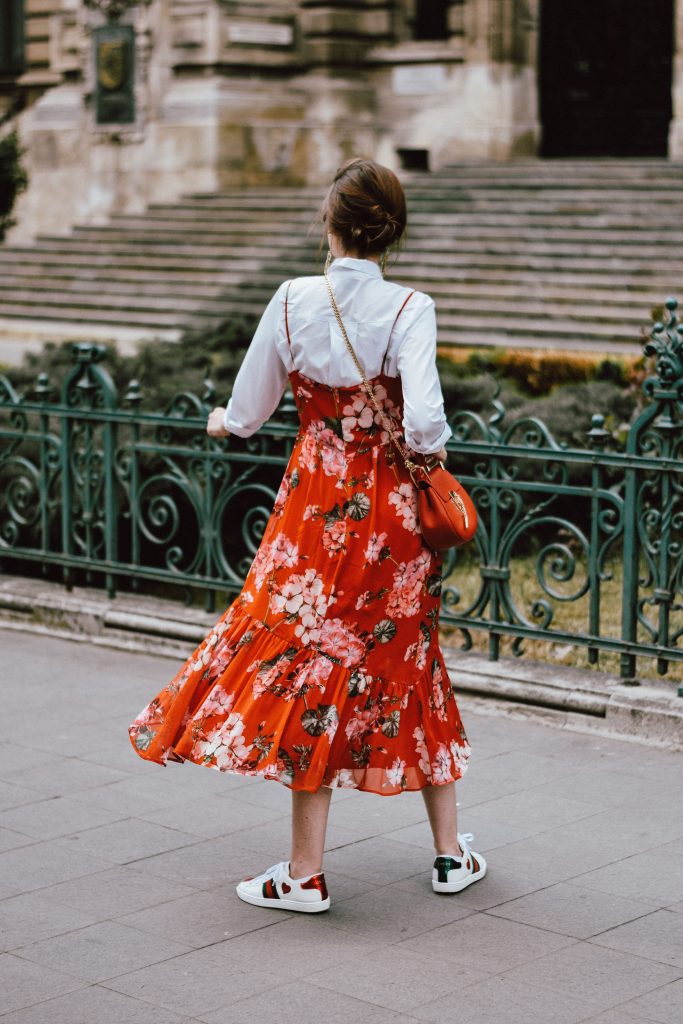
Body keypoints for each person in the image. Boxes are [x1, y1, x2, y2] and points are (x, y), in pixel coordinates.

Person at [128, 157, 486, 914]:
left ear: (330, 224)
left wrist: (223, 422)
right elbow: (423, 423)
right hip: (391, 521)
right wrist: (421, 457)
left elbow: (248, 410)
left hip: (314, 516)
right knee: (411, 657)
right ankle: (450, 858)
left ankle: (303, 874)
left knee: (311, 666)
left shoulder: (293, 299)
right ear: (390, 235)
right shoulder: (410, 307)